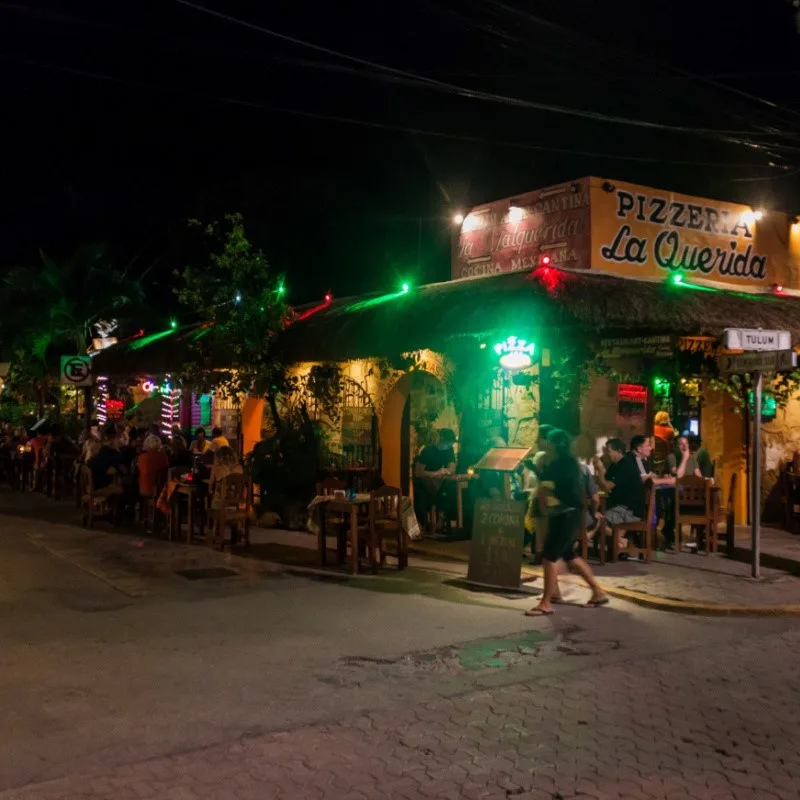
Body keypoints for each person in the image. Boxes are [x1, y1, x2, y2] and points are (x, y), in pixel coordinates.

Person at [525, 429, 608, 616]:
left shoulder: (562, 464)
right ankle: (598, 591)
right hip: (566, 513)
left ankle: (546, 602)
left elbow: (554, 485)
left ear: (554, 444)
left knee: (549, 556)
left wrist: (543, 484)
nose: (544, 443)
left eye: (547, 441)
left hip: (566, 514)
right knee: (569, 555)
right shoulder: (564, 463)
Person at [413, 428, 457, 531]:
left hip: (440, 482)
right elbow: (418, 473)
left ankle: (443, 520)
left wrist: (442, 472)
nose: (449, 446)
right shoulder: (427, 451)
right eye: (448, 443)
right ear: (441, 439)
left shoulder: (449, 450)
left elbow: (452, 469)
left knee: (450, 491)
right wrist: (434, 474)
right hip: (424, 483)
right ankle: (422, 524)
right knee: (421, 496)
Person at [87, 425, 124, 495]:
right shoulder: (109, 452)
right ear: (112, 440)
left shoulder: (102, 451)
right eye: (118, 438)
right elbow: (111, 471)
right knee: (125, 489)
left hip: (96, 485)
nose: (120, 441)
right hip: (101, 487)